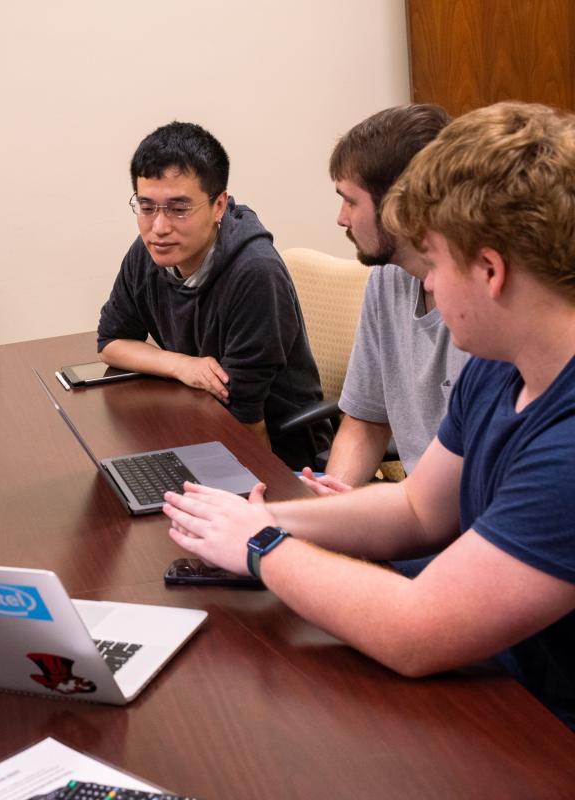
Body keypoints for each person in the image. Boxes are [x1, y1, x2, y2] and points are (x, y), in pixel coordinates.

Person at [162, 102, 575, 730]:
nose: (427, 288)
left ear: (490, 271)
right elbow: (419, 509)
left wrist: (260, 546)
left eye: (433, 263)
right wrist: (269, 516)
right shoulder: (503, 364)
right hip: (507, 681)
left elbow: (419, 629)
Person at [97, 121, 329, 470]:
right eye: (147, 207)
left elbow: (247, 422)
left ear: (219, 205)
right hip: (197, 427)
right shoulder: (149, 252)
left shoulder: (254, 272)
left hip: (281, 455)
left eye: (179, 208)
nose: (159, 227)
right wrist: (182, 365)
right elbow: (111, 342)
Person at [302, 104, 469, 495]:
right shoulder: (386, 275)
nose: (341, 218)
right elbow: (367, 419)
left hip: (457, 521)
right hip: (420, 511)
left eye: (351, 201)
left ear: (399, 207)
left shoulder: (483, 307)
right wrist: (334, 498)